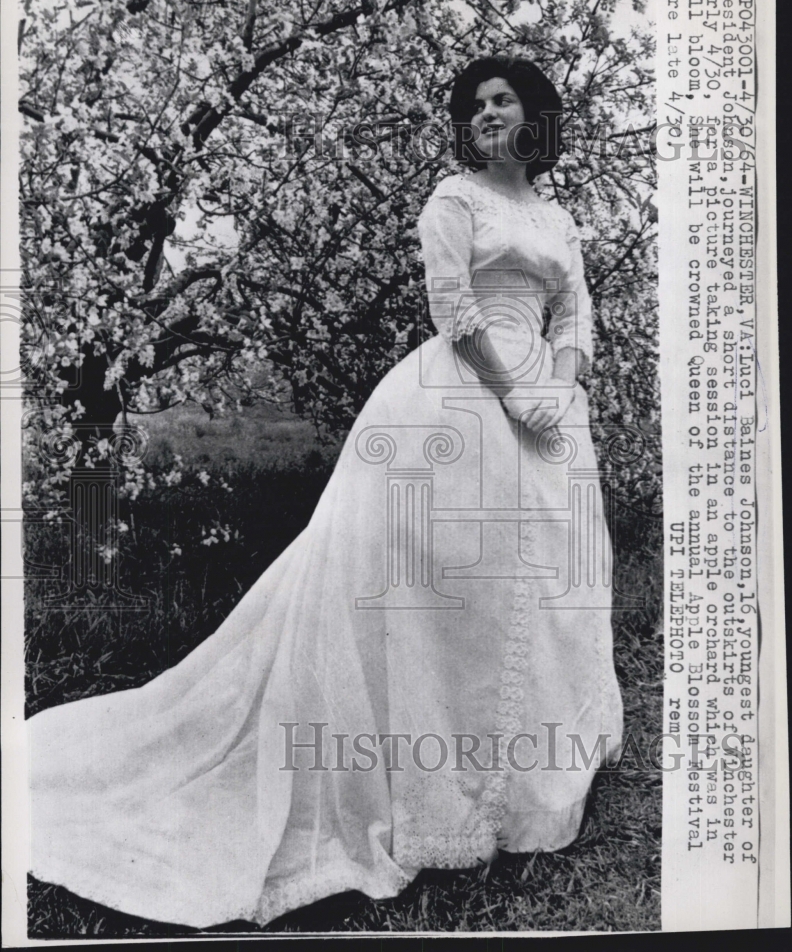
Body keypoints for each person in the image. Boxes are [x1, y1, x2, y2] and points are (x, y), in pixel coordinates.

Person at [28, 56, 623, 930]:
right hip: (460, 398)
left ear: (536, 117)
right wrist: (516, 393)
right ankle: (432, 795)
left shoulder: (560, 218)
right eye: (477, 104)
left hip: (546, 411)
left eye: (507, 100)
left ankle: (522, 785)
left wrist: (560, 393)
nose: (491, 113)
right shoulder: (454, 201)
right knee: (438, 594)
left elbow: (575, 313)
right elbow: (453, 307)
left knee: (535, 591)